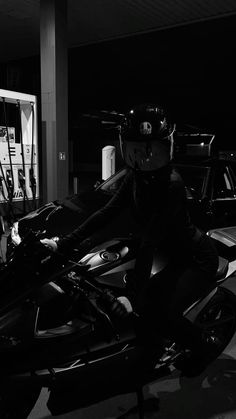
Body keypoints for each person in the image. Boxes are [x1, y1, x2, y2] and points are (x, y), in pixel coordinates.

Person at [41, 103, 219, 377]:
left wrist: (134, 299)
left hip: (194, 258)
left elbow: (150, 238)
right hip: (168, 252)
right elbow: (107, 212)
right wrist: (64, 242)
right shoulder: (136, 177)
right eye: (136, 150)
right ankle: (150, 350)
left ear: (166, 148)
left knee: (160, 311)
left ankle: (203, 347)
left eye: (153, 151)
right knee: (128, 293)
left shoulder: (171, 183)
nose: (145, 159)